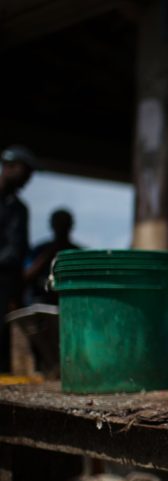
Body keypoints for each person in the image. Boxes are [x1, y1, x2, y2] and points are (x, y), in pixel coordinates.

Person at [0, 145, 37, 371]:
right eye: (26, 171)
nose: (29, 178)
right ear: (9, 166)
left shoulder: (19, 208)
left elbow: (18, 250)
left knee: (5, 339)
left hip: (10, 286)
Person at [25, 209, 81, 304]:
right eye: (58, 224)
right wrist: (48, 254)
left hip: (69, 300)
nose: (61, 229)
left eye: (64, 224)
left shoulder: (78, 254)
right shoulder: (39, 250)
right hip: (40, 300)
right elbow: (27, 275)